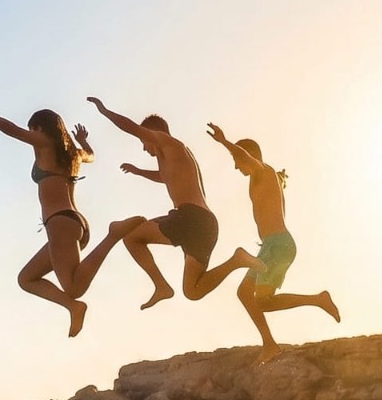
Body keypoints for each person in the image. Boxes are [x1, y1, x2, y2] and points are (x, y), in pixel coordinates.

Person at [0, 86, 126, 336]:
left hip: (60, 224)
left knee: (73, 286)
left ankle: (114, 234)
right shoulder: (74, 154)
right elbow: (91, 155)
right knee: (27, 278)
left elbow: (10, 129)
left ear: (41, 128)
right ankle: (73, 307)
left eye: (32, 128)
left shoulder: (45, 144)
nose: (30, 133)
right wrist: (83, 141)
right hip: (72, 224)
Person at [85, 95, 257, 308]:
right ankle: (236, 261)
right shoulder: (177, 155)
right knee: (193, 291)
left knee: (131, 237)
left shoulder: (166, 142)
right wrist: (139, 172)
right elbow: (166, 176)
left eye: (143, 141)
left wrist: (104, 111)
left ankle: (161, 286)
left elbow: (129, 127)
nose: (144, 148)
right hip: (206, 224)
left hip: (190, 217)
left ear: (153, 134)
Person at [206, 123, 340, 361]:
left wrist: (225, 142)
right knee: (260, 301)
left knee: (246, 294)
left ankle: (270, 344)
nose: (236, 166)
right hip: (274, 246)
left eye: (238, 160)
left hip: (278, 245)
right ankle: (317, 300)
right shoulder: (262, 176)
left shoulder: (263, 171)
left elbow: (244, 156)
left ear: (250, 157)